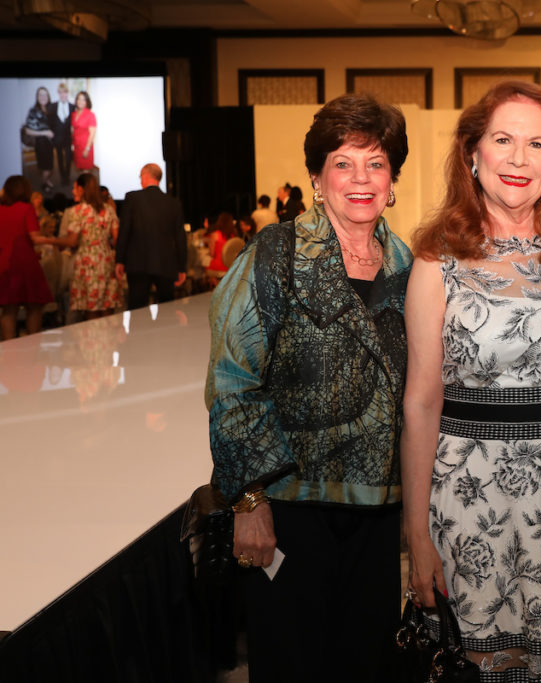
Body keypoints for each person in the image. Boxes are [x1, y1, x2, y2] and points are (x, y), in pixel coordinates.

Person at [206, 93, 412, 683]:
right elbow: (232, 380)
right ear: (317, 179)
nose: (360, 178)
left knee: (364, 664)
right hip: (290, 509)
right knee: (291, 665)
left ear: (393, 178)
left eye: (375, 163)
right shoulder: (274, 256)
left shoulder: (408, 266)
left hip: (378, 512)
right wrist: (249, 500)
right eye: (343, 163)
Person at [402, 80, 541, 681]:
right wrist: (417, 535)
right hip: (471, 501)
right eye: (503, 140)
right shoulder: (437, 260)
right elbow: (419, 404)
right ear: (473, 153)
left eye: (536, 143)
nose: (518, 158)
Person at [115, 163, 187, 309]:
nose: (140, 180)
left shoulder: (132, 198)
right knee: (167, 313)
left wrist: (120, 260)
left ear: (146, 175)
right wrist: (182, 267)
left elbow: (124, 231)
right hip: (166, 264)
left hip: (137, 264)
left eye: (140, 176)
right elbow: (180, 237)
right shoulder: (173, 203)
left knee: (137, 311)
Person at [51, 173, 121, 320]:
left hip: (87, 262)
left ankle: (93, 341)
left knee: (92, 309)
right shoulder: (109, 210)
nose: (72, 191)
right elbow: (117, 240)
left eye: (75, 188)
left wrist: (50, 240)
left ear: (82, 189)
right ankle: (109, 341)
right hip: (106, 260)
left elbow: (72, 241)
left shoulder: (78, 211)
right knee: (107, 308)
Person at [0, 176, 54, 340]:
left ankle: (8, 350)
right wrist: (57, 240)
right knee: (34, 307)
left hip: (5, 263)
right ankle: (32, 348)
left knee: (9, 309)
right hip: (25, 262)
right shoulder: (26, 208)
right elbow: (35, 238)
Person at [23, 87, 55, 192]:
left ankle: (47, 180)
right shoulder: (33, 111)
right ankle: (44, 184)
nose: (43, 97)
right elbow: (27, 130)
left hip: (50, 143)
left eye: (45, 94)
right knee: (47, 167)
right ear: (37, 97)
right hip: (41, 143)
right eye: (40, 95)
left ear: (48, 96)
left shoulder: (50, 108)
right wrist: (44, 132)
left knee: (50, 166)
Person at [47, 83, 75, 186]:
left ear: (68, 93)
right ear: (58, 93)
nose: (63, 95)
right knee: (59, 159)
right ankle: (63, 177)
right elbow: (49, 122)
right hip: (57, 139)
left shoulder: (72, 107)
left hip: (68, 139)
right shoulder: (53, 106)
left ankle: (67, 176)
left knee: (68, 159)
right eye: (61, 92)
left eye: (65, 92)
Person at [205, 211, 239, 276]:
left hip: (219, 266)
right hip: (232, 266)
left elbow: (212, 254)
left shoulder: (215, 235)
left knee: (205, 266)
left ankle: (216, 284)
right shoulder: (234, 234)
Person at [71, 91, 97, 172]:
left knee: (86, 170)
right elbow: (73, 130)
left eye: (83, 99)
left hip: (85, 146)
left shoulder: (90, 115)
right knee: (79, 167)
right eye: (79, 99)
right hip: (77, 146)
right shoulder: (74, 114)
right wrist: (72, 144)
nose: (80, 101)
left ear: (87, 102)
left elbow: (92, 134)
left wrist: (87, 149)